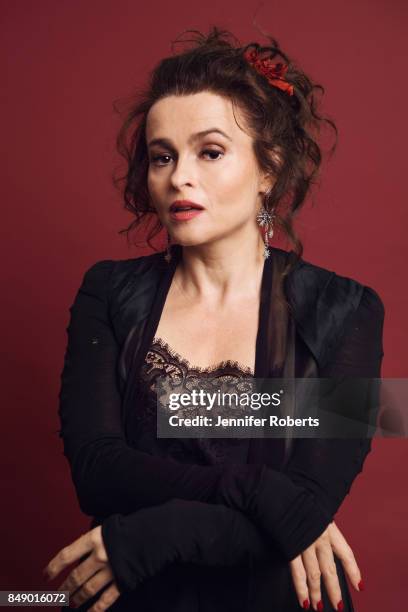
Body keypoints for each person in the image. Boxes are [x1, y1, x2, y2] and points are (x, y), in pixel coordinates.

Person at [44, 26, 384, 612]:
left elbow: (307, 504)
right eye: (162, 156)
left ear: (270, 169)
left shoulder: (348, 310)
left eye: (210, 151)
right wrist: (253, 489)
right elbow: (97, 470)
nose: (179, 177)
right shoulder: (107, 290)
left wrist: (154, 535)